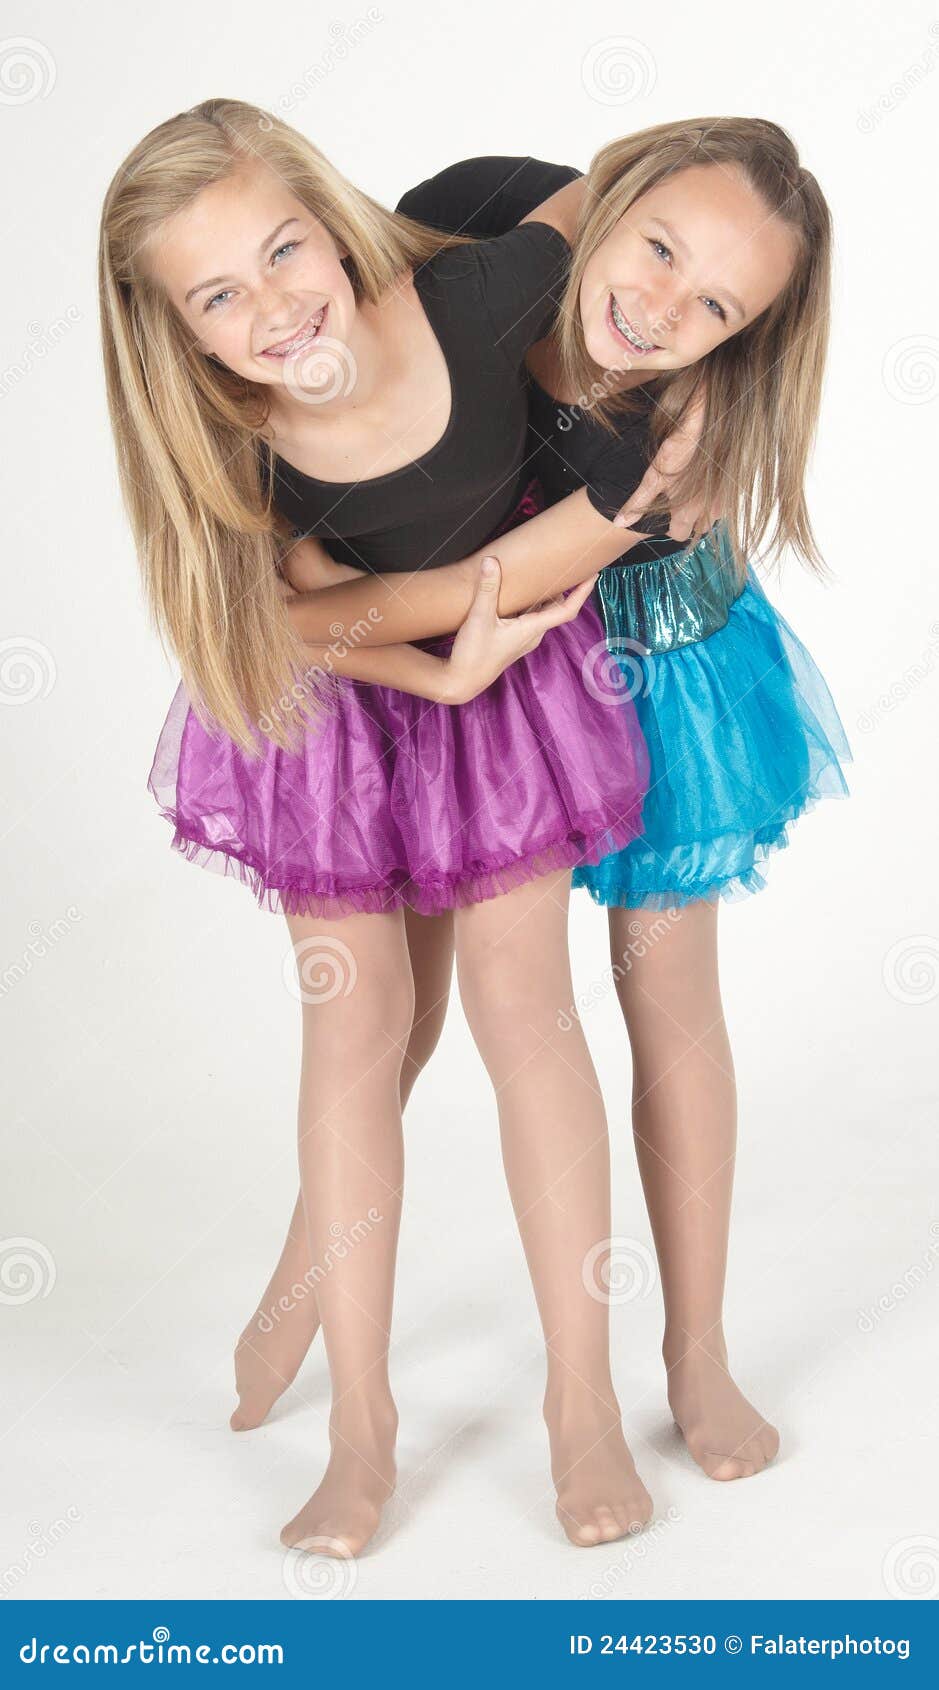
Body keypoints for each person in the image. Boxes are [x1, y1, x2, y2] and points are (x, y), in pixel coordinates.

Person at [101, 98, 677, 1560]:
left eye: (283, 248)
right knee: (359, 1028)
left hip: (513, 701)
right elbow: (275, 620)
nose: (275, 305)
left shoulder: (472, 298)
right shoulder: (229, 433)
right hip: (339, 710)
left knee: (520, 1010)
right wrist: (431, 663)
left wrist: (670, 388)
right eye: (217, 295)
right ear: (179, 332)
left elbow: (625, 186)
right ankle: (364, 1422)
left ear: (332, 211)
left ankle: (580, 1401)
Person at [250, 117, 849, 1489]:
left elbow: (496, 583)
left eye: (718, 309)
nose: (662, 310)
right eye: (657, 250)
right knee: (388, 1007)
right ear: (612, 197)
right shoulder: (483, 217)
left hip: (633, 633)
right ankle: (308, 1276)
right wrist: (289, 606)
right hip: (471, 656)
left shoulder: (673, 435)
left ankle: (690, 1351)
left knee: (664, 987)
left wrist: (300, 618)